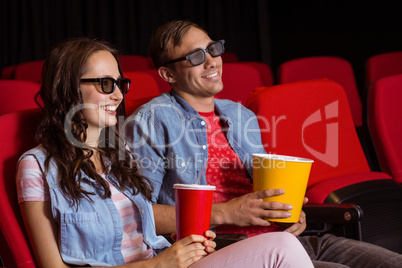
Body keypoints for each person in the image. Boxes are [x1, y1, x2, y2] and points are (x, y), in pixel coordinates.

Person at [16, 36, 314, 268]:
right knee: (284, 250)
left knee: (282, 246)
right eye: (106, 84)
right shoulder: (37, 166)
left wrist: (183, 245)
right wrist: (158, 263)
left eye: (120, 83)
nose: (118, 95)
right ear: (68, 88)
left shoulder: (115, 158)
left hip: (165, 261)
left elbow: (142, 238)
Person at [125, 20, 402, 268]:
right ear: (167, 74)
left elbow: (261, 190)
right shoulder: (152, 120)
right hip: (223, 248)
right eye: (196, 56)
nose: (211, 62)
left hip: (284, 237)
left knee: (391, 262)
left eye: (213, 49)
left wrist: (290, 213)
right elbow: (137, 215)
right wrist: (226, 212)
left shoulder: (238, 114)